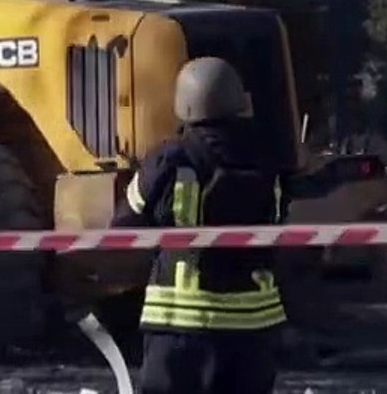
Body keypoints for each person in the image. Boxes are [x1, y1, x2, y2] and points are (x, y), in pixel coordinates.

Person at [112, 57, 287, 394]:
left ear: (184, 104)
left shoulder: (171, 158)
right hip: (254, 331)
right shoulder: (267, 159)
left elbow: (125, 223)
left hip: (181, 329)